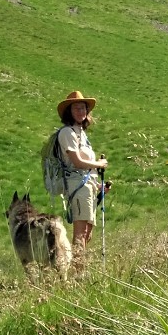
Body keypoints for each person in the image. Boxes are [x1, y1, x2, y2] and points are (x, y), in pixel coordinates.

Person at [55, 89, 108, 259]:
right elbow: (77, 162)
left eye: (83, 108)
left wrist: (99, 186)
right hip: (78, 184)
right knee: (81, 233)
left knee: (88, 234)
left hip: (88, 184)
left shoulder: (82, 134)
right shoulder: (67, 133)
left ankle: (76, 270)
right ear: (69, 112)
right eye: (76, 108)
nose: (81, 111)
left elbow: (85, 165)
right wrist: (99, 164)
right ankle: (77, 275)